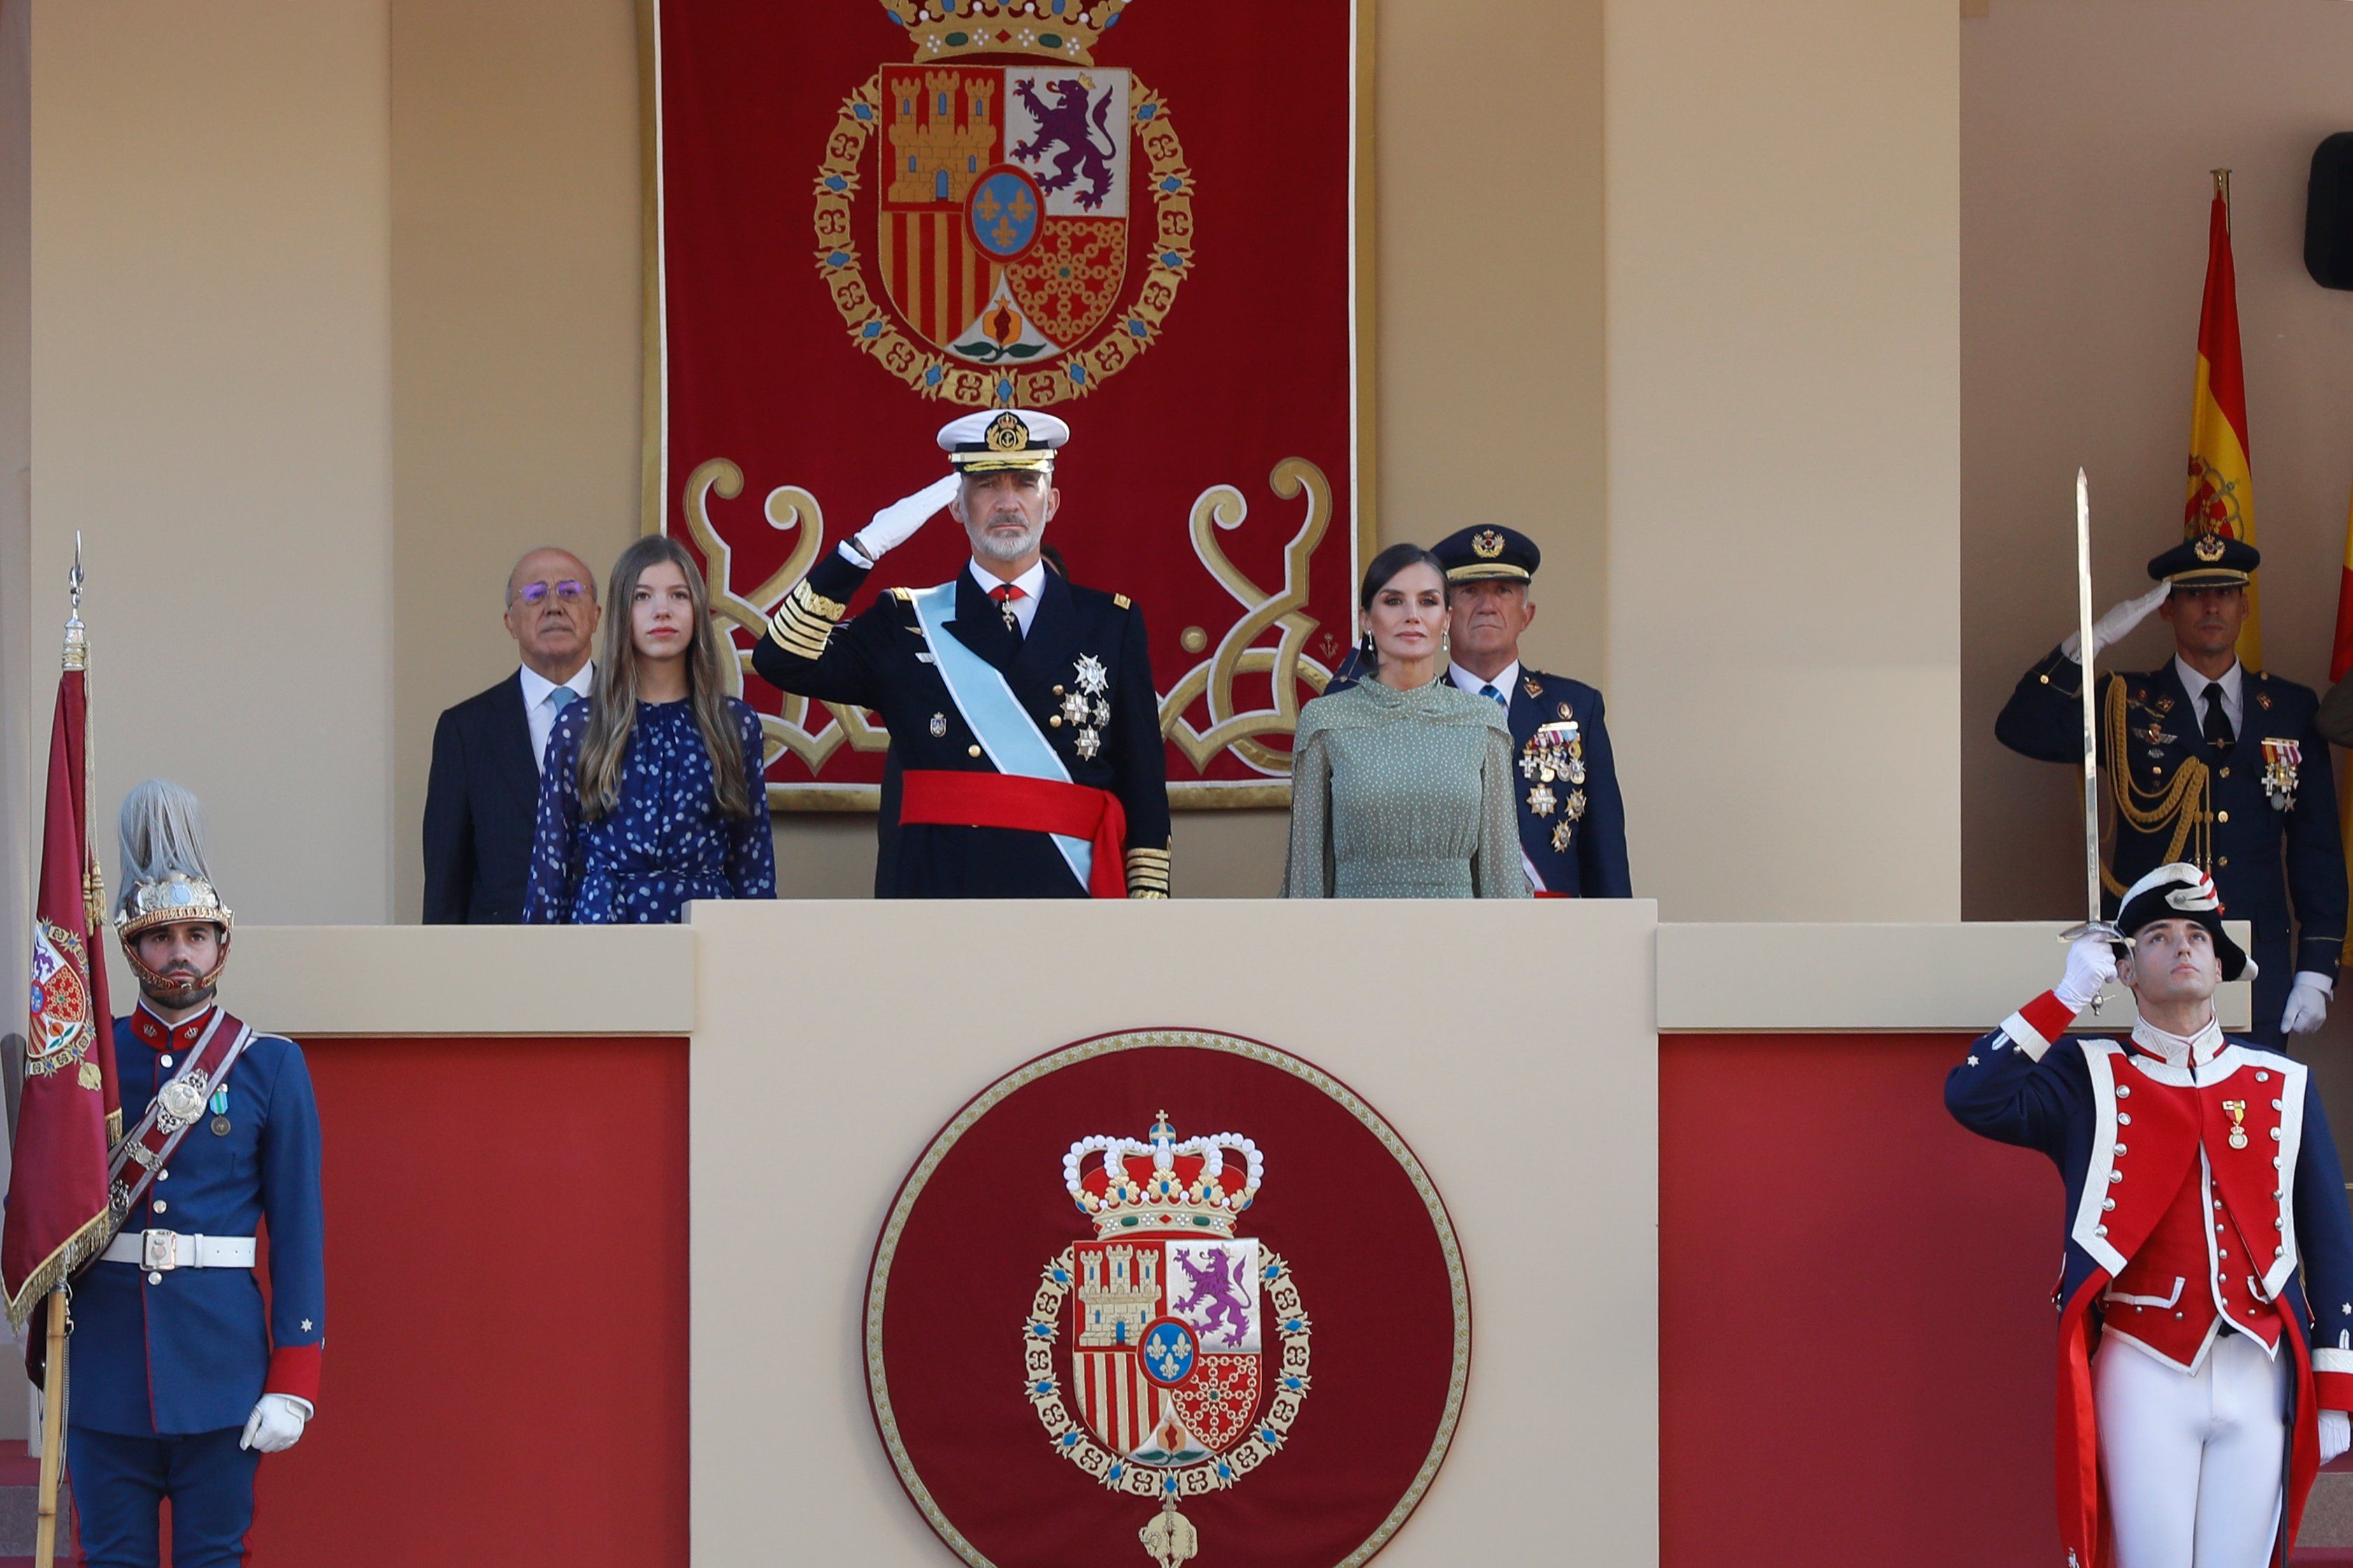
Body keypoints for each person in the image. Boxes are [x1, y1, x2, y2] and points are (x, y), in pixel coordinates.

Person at [1947, 863, 2353, 1567]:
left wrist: (2335, 1385)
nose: (2182, 946)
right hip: (2143, 1363)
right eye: (2157, 935)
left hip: (2260, 1365)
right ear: (2126, 967)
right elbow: (1973, 1094)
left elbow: (2328, 1238)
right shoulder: (2086, 1074)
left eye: (2197, 933)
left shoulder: (2282, 1082)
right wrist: (2069, 991)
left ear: (2219, 961)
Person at [748, 409, 1171, 898]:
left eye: (1026, 484)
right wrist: (861, 549)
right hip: (941, 890)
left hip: (1067, 892)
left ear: (1050, 502)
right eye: (988, 484)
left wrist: (1147, 895)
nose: (1008, 503)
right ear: (955, 504)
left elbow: (1141, 776)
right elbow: (780, 658)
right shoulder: (905, 622)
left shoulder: (1109, 623)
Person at [71, 780, 324, 1568]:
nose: (179, 950)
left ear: (222, 944)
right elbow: (49, 1200)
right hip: (106, 1368)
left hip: (223, 1372)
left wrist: (296, 1375)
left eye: (196, 933)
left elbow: (299, 1231)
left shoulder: (269, 1065)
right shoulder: (88, 1061)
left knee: (216, 1555)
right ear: (130, 949)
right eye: (159, 935)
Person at [1995, 529, 2345, 1046]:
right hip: (2150, 958)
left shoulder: (2290, 707)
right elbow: (2021, 726)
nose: (2210, 605)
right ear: (2165, 608)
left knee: (2249, 1120)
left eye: (2224, 592)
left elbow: (2316, 847)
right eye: (2192, 593)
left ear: (2243, 605)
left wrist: (2317, 968)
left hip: (2254, 961)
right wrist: (2092, 641)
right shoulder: (2123, 702)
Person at [523, 535, 774, 923]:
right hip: (605, 932)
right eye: (643, 597)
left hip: (707, 930)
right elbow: (549, 868)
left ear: (697, 611)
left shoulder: (734, 724)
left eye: (678, 595)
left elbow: (753, 864)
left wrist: (759, 956)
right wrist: (541, 968)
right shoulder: (579, 725)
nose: (662, 611)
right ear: (623, 612)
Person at [1282, 543, 1526, 898]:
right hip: (1355, 934)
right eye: (1393, 601)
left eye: (1428, 601)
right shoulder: (1326, 721)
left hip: (1458, 936)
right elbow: (1307, 870)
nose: (1412, 615)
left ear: (1446, 619)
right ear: (1366, 617)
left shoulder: (1481, 720)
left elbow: (1500, 870)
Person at [1429, 524, 1630, 898]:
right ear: (1444, 615)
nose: (1487, 606)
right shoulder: (1419, 713)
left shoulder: (1577, 709)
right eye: (1470, 591)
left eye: (1503, 591)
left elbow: (1605, 853)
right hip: (1451, 926)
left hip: (1553, 932)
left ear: (1527, 614)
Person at [422, 547, 601, 922]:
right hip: (503, 959)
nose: (554, 606)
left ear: (596, 615)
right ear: (510, 622)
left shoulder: (638, 718)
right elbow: (445, 881)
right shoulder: (465, 731)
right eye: (535, 595)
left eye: (570, 591)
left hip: (623, 949)